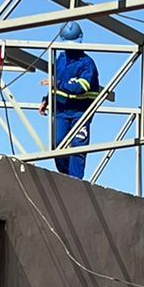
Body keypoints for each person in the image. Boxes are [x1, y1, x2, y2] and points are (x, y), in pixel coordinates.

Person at [39, 22, 100, 178]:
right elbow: (56, 83)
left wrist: (57, 83)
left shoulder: (87, 64)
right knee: (58, 145)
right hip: (61, 111)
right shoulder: (60, 60)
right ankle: (65, 177)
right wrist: (46, 100)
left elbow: (81, 87)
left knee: (78, 148)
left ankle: (75, 180)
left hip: (80, 112)